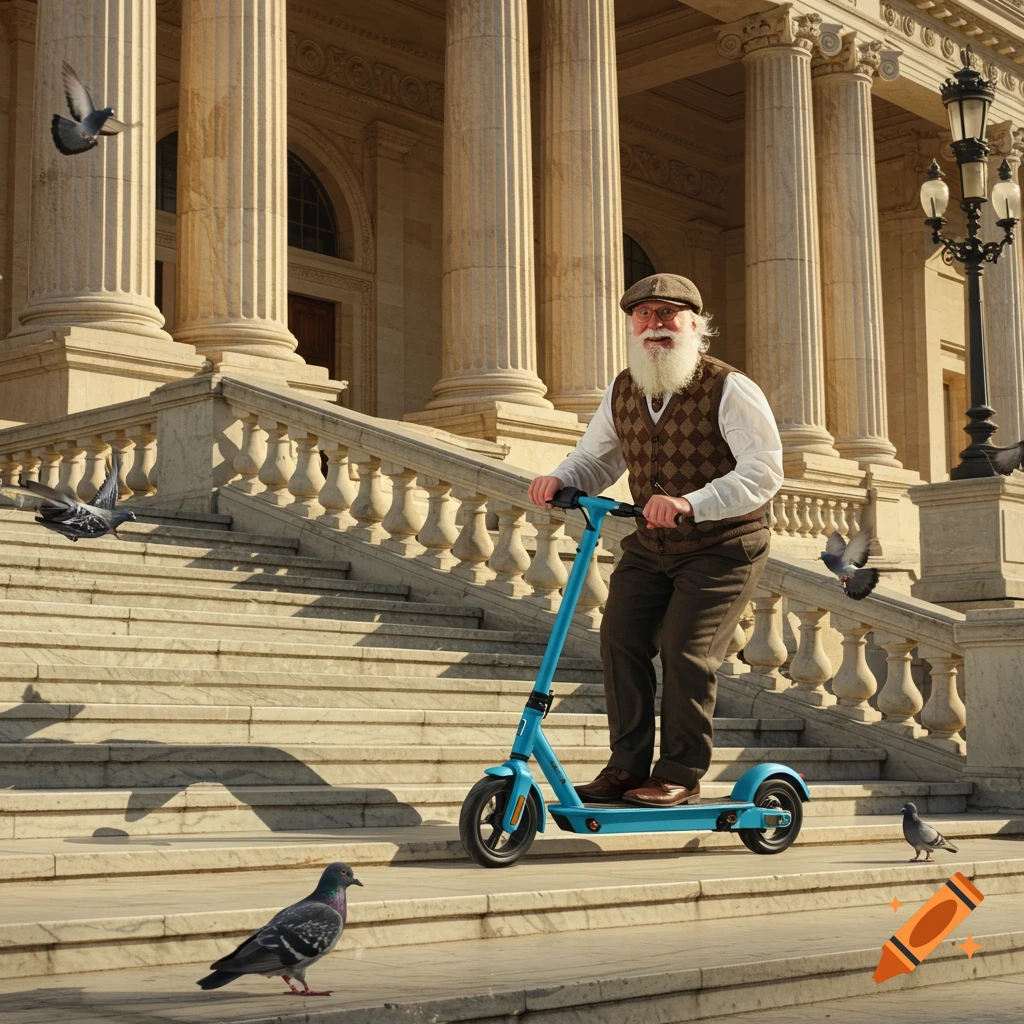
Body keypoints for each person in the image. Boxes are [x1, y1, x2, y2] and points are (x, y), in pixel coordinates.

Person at [527, 273, 783, 807]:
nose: (655, 325)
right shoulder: (624, 387)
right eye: (644, 315)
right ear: (631, 325)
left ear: (694, 324)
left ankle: (680, 773)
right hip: (652, 543)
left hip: (725, 543)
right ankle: (626, 767)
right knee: (620, 638)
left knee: (685, 651)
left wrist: (694, 502)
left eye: (668, 314)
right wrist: (561, 479)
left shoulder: (729, 386)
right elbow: (597, 457)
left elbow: (763, 471)